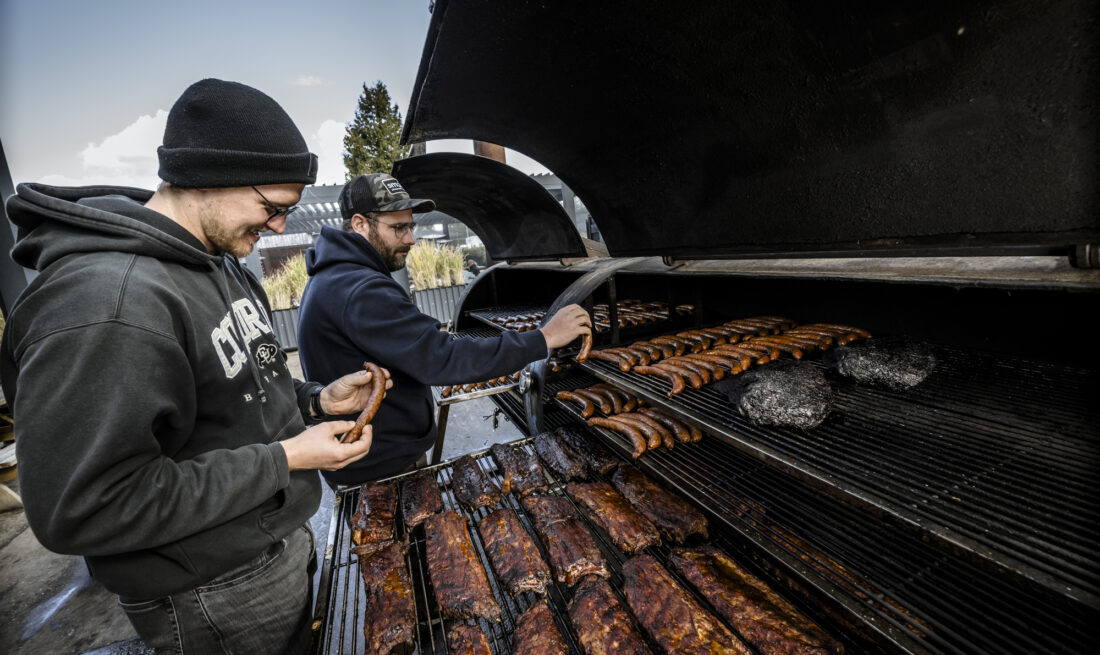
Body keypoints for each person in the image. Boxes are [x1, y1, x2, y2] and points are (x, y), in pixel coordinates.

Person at [0, 79, 387, 655]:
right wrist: (288, 457)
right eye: (272, 208)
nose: (280, 227)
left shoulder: (222, 260)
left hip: (276, 538)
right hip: (210, 588)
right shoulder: (108, 303)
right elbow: (81, 509)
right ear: (209, 175)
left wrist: (314, 401)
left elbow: (238, 386)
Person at [297, 173, 592, 486]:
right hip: (381, 469)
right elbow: (443, 357)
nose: (410, 238)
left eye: (410, 226)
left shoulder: (333, 277)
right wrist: (543, 337)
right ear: (359, 224)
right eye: (398, 228)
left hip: (368, 457)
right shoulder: (359, 288)